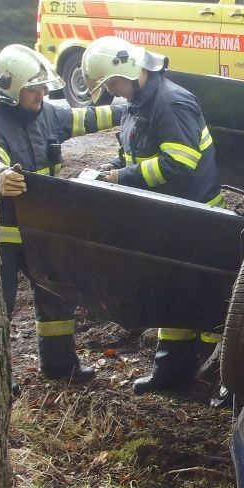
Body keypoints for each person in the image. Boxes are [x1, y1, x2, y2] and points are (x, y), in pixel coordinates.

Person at [81, 35, 224, 395]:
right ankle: (171, 373)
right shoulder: (138, 102)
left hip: (197, 222)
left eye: (111, 83)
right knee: (170, 294)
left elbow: (180, 165)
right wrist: (108, 168)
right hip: (167, 220)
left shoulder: (172, 102)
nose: (112, 91)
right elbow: (131, 154)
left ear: (128, 70)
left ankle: (218, 382)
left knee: (206, 302)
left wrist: (122, 178)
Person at [0, 44, 124, 383]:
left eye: (42, 87)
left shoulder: (48, 114)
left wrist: (131, 108)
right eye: (33, 88)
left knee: (57, 297)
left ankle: (60, 365)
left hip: (42, 230)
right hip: (4, 235)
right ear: (11, 90)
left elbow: (86, 117)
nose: (41, 93)